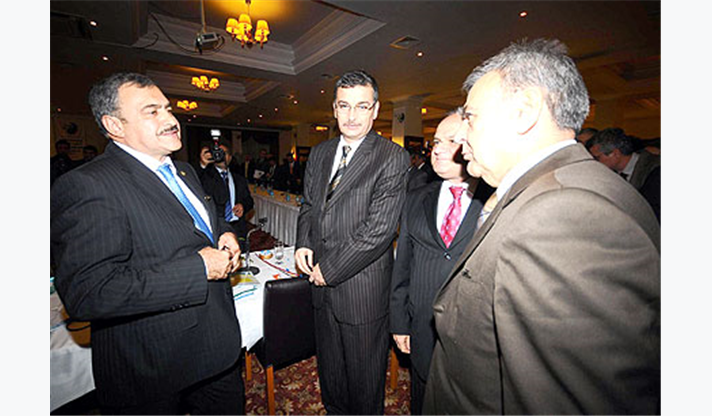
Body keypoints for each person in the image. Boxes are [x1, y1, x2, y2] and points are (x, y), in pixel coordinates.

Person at [424, 39, 660, 415]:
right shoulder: (564, 188)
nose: (462, 135)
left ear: (524, 112)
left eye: (471, 118)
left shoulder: (561, 215)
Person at [51, 72, 245, 415]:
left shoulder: (184, 170)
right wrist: (199, 268)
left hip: (217, 347)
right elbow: (87, 292)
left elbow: (207, 221)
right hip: (151, 363)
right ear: (114, 125)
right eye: (151, 111)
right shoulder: (88, 184)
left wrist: (225, 232)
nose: (170, 120)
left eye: (167, 109)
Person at [294, 69, 410, 414]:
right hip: (321, 287)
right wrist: (303, 242)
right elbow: (310, 205)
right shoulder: (319, 153)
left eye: (362, 106)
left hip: (362, 291)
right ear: (334, 108)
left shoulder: (392, 157)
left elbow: (379, 231)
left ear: (376, 110)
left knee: (363, 384)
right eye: (344, 106)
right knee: (330, 376)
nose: (352, 116)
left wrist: (328, 270)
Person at [390, 113, 493, 414]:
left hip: (474, 336)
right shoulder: (416, 198)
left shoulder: (496, 200)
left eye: (451, 141)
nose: (437, 149)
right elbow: (402, 265)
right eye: (435, 141)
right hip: (422, 326)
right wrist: (399, 322)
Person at [586, 127, 661, 220]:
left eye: (597, 157)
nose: (594, 161)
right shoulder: (610, 173)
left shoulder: (656, 172)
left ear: (616, 154)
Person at [199, 140, 255, 244]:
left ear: (230, 157)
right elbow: (195, 182)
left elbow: (249, 200)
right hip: (216, 227)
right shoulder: (206, 177)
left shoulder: (239, 179)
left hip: (237, 227)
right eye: (218, 153)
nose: (221, 156)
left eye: (224, 153)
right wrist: (202, 164)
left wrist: (243, 206)